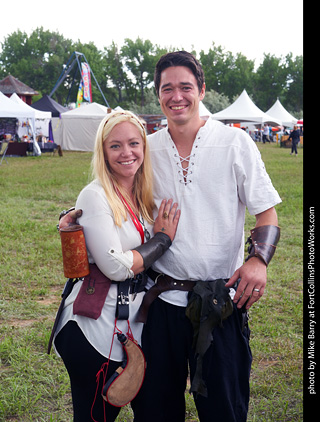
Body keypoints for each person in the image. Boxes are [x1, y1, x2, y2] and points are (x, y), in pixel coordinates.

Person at [60, 51, 281, 422]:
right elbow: (114, 187)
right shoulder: (147, 146)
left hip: (219, 300)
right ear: (158, 94)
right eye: (167, 89)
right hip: (159, 304)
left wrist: (258, 260)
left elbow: (267, 210)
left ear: (202, 89)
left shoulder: (235, 143)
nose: (176, 96)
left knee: (224, 409)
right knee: (157, 412)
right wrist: (74, 220)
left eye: (185, 87)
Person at [53, 110, 180, 422]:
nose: (127, 153)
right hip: (94, 329)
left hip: (133, 325)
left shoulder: (142, 194)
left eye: (134, 143)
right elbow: (114, 266)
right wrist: (162, 240)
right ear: (103, 151)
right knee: (95, 417)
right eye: (116, 146)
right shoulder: (94, 195)